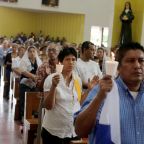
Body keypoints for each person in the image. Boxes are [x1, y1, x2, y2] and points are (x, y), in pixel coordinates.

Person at [74, 42, 144, 144]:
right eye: (131, 61)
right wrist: (100, 97)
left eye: (141, 61)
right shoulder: (102, 91)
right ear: (118, 67)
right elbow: (80, 130)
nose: (137, 65)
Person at [41, 47, 82, 144]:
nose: (71, 62)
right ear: (61, 62)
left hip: (71, 131)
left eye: (73, 59)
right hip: (53, 131)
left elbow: (78, 102)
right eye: (67, 59)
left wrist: (89, 89)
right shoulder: (51, 79)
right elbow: (48, 106)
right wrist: (54, 86)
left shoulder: (77, 80)